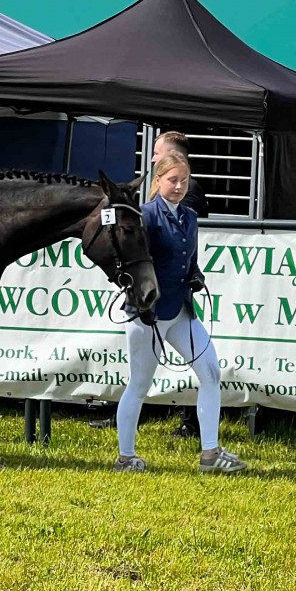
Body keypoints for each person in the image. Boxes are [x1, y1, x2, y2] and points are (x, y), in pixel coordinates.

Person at [114, 151, 247, 474]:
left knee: (212, 372)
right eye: (172, 180)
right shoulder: (144, 215)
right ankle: (125, 456)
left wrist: (196, 274)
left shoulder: (188, 217)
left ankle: (210, 453)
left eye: (183, 181)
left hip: (181, 310)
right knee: (140, 384)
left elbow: (189, 258)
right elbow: (132, 261)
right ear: (158, 180)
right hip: (148, 314)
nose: (178, 186)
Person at [151, 130, 211, 439]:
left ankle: (197, 428)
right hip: (154, 303)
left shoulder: (189, 198)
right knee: (140, 378)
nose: (152, 158)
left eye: (157, 153)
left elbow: (183, 244)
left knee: (207, 369)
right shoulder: (151, 208)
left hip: (179, 301)